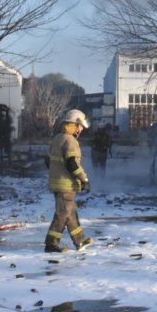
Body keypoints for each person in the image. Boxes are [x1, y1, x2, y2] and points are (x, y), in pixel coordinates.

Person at [44, 108, 93, 252]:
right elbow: (72, 164)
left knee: (70, 213)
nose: (82, 129)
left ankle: (80, 240)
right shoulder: (70, 140)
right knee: (62, 214)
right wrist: (84, 179)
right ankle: (51, 244)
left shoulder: (57, 138)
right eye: (81, 126)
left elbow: (48, 161)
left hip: (58, 183)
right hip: (66, 186)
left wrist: (56, 173)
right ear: (74, 125)